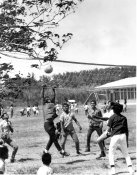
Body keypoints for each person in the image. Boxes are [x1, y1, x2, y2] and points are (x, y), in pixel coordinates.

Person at [42, 85, 69, 157]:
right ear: (45, 100)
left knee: (53, 138)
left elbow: (54, 97)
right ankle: (62, 151)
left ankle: (45, 150)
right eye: (46, 98)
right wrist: (43, 89)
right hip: (47, 124)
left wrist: (53, 90)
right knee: (54, 138)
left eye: (48, 98)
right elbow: (42, 96)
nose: (48, 98)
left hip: (51, 123)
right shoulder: (44, 105)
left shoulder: (52, 103)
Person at [107, 103, 134, 175]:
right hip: (123, 135)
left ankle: (113, 170)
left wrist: (108, 133)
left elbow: (108, 129)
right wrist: (127, 140)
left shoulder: (112, 117)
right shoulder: (124, 118)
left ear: (114, 110)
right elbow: (126, 130)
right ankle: (131, 170)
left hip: (115, 136)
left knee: (111, 153)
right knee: (126, 153)